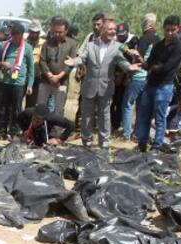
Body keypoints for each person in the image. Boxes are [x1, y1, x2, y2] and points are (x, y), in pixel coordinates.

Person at [66, 17, 137, 149]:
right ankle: (86, 140)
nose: (113, 32)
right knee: (87, 115)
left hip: (106, 87)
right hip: (89, 86)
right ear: (103, 30)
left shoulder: (116, 47)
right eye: (110, 29)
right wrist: (73, 62)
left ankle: (104, 141)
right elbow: (82, 58)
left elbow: (122, 61)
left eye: (114, 29)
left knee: (104, 116)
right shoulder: (91, 45)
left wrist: (130, 68)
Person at [135, 15, 181, 152]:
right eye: (167, 30)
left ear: (178, 29)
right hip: (150, 84)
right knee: (143, 115)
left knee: (160, 118)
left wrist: (155, 67)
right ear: (163, 29)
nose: (170, 33)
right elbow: (149, 63)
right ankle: (142, 143)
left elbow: (168, 67)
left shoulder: (179, 47)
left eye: (173, 30)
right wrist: (140, 61)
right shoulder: (158, 45)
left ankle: (156, 146)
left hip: (164, 86)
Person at [120, 14, 157, 140]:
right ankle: (138, 133)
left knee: (127, 104)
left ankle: (127, 134)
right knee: (142, 106)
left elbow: (129, 51)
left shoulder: (143, 39)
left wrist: (127, 51)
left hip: (138, 76)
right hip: (150, 77)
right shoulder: (159, 39)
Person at [0, 23, 34, 138]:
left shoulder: (27, 48)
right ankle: (2, 131)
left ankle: (14, 132)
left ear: (22, 35)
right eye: (13, 36)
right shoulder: (5, 45)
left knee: (16, 108)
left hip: (18, 83)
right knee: (3, 108)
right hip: (5, 82)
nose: (15, 39)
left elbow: (31, 69)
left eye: (18, 37)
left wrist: (30, 85)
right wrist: (2, 63)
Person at [38, 18, 76, 116]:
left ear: (66, 31)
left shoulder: (72, 44)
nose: (57, 34)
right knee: (40, 109)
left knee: (58, 109)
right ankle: (40, 130)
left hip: (62, 82)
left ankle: (56, 131)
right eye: (55, 32)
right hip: (46, 80)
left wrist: (58, 77)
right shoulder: (47, 43)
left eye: (60, 32)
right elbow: (42, 61)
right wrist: (50, 76)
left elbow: (70, 63)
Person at [25, 23, 43, 108]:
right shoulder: (24, 41)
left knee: (31, 103)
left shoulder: (43, 43)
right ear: (29, 31)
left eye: (36, 32)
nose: (34, 34)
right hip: (23, 76)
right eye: (32, 32)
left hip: (36, 77)